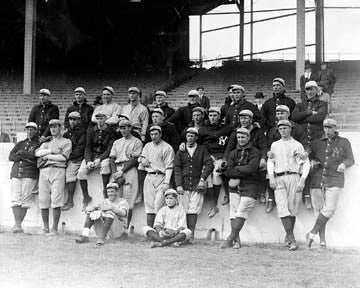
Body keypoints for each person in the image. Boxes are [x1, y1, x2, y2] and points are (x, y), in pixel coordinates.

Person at [306, 119, 354, 249]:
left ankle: (311, 233)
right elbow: (309, 156)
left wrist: (344, 164)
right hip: (317, 179)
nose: (327, 131)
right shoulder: (317, 143)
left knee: (330, 209)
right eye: (325, 128)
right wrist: (312, 161)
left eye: (330, 128)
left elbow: (351, 159)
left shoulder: (344, 142)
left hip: (335, 179)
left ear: (335, 128)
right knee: (318, 211)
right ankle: (322, 240)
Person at [267, 120, 310, 251]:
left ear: (290, 129)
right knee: (282, 207)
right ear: (278, 130)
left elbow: (306, 163)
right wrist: (271, 177)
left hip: (294, 176)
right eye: (281, 129)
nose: (283, 131)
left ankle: (288, 236)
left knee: (292, 209)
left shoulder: (297, 145)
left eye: (286, 128)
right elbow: (270, 162)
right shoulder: (274, 145)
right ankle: (291, 239)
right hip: (279, 177)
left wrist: (302, 179)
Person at [221, 127, 261, 249]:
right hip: (235, 186)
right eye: (238, 137)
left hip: (250, 185)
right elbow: (227, 171)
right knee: (233, 212)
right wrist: (242, 170)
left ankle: (230, 239)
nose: (240, 139)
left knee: (241, 210)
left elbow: (252, 169)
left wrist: (236, 170)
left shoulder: (255, 152)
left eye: (243, 137)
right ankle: (236, 241)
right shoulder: (233, 153)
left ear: (248, 138)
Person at [292, 80, 328, 210]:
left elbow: (319, 118)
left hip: (317, 139)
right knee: (303, 166)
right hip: (303, 141)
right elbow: (294, 117)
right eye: (307, 89)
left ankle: (319, 197)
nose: (309, 92)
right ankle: (306, 196)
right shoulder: (300, 105)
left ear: (317, 90)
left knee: (317, 166)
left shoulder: (322, 103)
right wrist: (308, 113)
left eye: (312, 89)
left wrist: (302, 118)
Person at [174, 127, 214, 243]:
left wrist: (202, 179)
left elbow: (209, 164)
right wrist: (178, 185)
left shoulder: (202, 150)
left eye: (192, 136)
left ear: (196, 137)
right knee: (183, 210)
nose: (190, 138)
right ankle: (183, 235)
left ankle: (191, 235)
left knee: (193, 210)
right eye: (188, 136)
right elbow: (177, 168)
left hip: (197, 185)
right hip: (184, 185)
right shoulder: (181, 150)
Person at [266, 105, 308, 212]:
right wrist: (268, 153)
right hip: (278, 162)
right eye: (278, 113)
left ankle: (306, 196)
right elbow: (269, 149)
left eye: (282, 113)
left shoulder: (297, 128)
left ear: (288, 114)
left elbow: (304, 144)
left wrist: (306, 153)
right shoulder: (272, 131)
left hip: (295, 159)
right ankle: (271, 199)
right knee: (270, 172)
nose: (280, 116)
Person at [35, 119, 72, 236]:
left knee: (56, 199)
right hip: (44, 171)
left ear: (60, 128)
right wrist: (52, 152)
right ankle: (45, 227)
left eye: (55, 127)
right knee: (43, 199)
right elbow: (37, 154)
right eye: (51, 127)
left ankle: (54, 228)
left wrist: (47, 156)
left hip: (58, 170)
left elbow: (63, 158)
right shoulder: (46, 143)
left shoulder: (66, 141)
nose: (53, 129)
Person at [223, 110, 268, 206]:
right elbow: (229, 147)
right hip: (239, 157)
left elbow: (264, 147)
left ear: (251, 119)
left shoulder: (258, 131)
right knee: (225, 168)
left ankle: (262, 192)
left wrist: (263, 158)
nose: (243, 121)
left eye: (245, 118)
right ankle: (227, 193)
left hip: (253, 157)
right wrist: (225, 160)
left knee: (263, 166)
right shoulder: (236, 132)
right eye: (241, 118)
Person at [198, 107, 232, 218]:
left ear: (219, 116)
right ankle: (213, 205)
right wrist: (208, 157)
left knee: (217, 172)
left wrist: (224, 158)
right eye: (211, 115)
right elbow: (200, 145)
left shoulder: (226, 128)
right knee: (207, 176)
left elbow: (230, 144)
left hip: (221, 156)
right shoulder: (203, 129)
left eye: (215, 115)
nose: (212, 118)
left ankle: (221, 199)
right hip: (207, 156)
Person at [138, 126, 175, 228]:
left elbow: (169, 166)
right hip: (149, 176)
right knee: (149, 205)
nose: (153, 137)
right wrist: (142, 160)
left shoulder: (167, 147)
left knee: (159, 205)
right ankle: (150, 231)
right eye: (151, 134)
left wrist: (167, 182)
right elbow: (141, 157)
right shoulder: (147, 146)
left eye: (156, 134)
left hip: (162, 177)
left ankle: (160, 231)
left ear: (160, 135)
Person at [110, 119, 143, 228]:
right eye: (121, 128)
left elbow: (135, 159)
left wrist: (122, 172)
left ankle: (125, 229)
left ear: (130, 128)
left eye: (125, 128)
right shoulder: (117, 142)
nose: (122, 130)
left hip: (129, 170)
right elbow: (112, 158)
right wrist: (115, 173)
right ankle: (115, 228)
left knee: (128, 202)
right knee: (115, 201)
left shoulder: (137, 142)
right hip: (118, 169)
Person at [78, 112, 117, 201]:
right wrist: (88, 161)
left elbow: (109, 149)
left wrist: (100, 159)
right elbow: (88, 147)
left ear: (106, 119)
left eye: (102, 118)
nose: (99, 121)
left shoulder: (111, 132)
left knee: (105, 166)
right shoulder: (91, 130)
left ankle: (105, 190)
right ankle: (86, 196)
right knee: (81, 172)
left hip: (104, 156)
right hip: (92, 156)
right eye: (98, 119)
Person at [8, 122, 40, 233]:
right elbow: (11, 156)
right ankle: (17, 225)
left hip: (30, 173)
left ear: (36, 131)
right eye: (27, 130)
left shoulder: (38, 143)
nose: (29, 132)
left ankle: (18, 225)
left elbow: (35, 156)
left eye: (32, 130)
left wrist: (21, 153)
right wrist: (25, 155)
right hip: (16, 172)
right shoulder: (20, 143)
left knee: (25, 199)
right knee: (15, 199)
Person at [62, 112, 87, 211]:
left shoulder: (82, 132)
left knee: (70, 174)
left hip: (77, 158)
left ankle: (70, 201)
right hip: (68, 157)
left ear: (79, 120)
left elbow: (80, 148)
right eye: (70, 119)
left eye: (74, 119)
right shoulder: (67, 132)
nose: (72, 121)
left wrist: (69, 157)